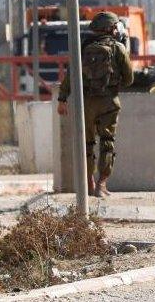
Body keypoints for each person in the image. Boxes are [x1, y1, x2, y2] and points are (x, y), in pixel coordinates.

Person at [57, 11, 134, 197]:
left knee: (87, 143)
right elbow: (129, 79)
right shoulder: (119, 48)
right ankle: (102, 184)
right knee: (107, 142)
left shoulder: (84, 48)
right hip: (109, 102)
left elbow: (70, 75)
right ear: (110, 28)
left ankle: (89, 183)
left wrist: (62, 99)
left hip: (87, 102)